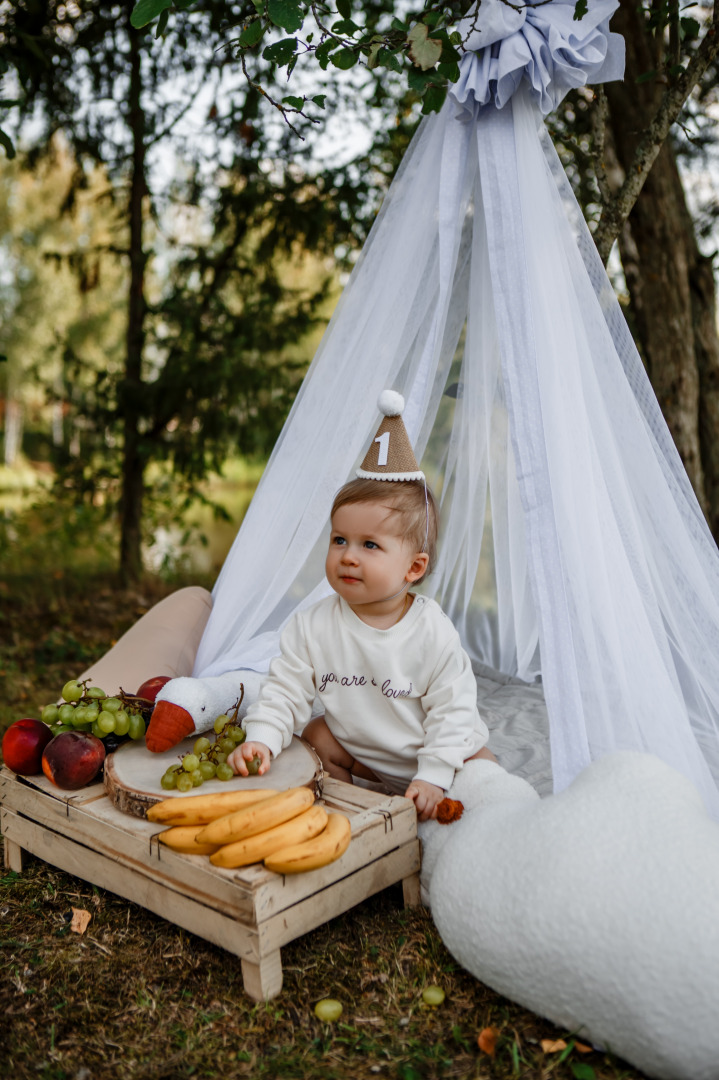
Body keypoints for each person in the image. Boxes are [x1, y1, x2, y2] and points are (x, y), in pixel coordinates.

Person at [228, 391, 493, 821]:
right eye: (340, 540)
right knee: (317, 737)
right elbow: (284, 691)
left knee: (484, 778)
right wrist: (261, 738)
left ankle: (455, 806)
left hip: (439, 756)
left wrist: (434, 774)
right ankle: (352, 813)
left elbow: (453, 710)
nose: (348, 555)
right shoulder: (313, 626)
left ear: (414, 567)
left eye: (370, 544)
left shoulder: (431, 632)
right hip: (369, 754)